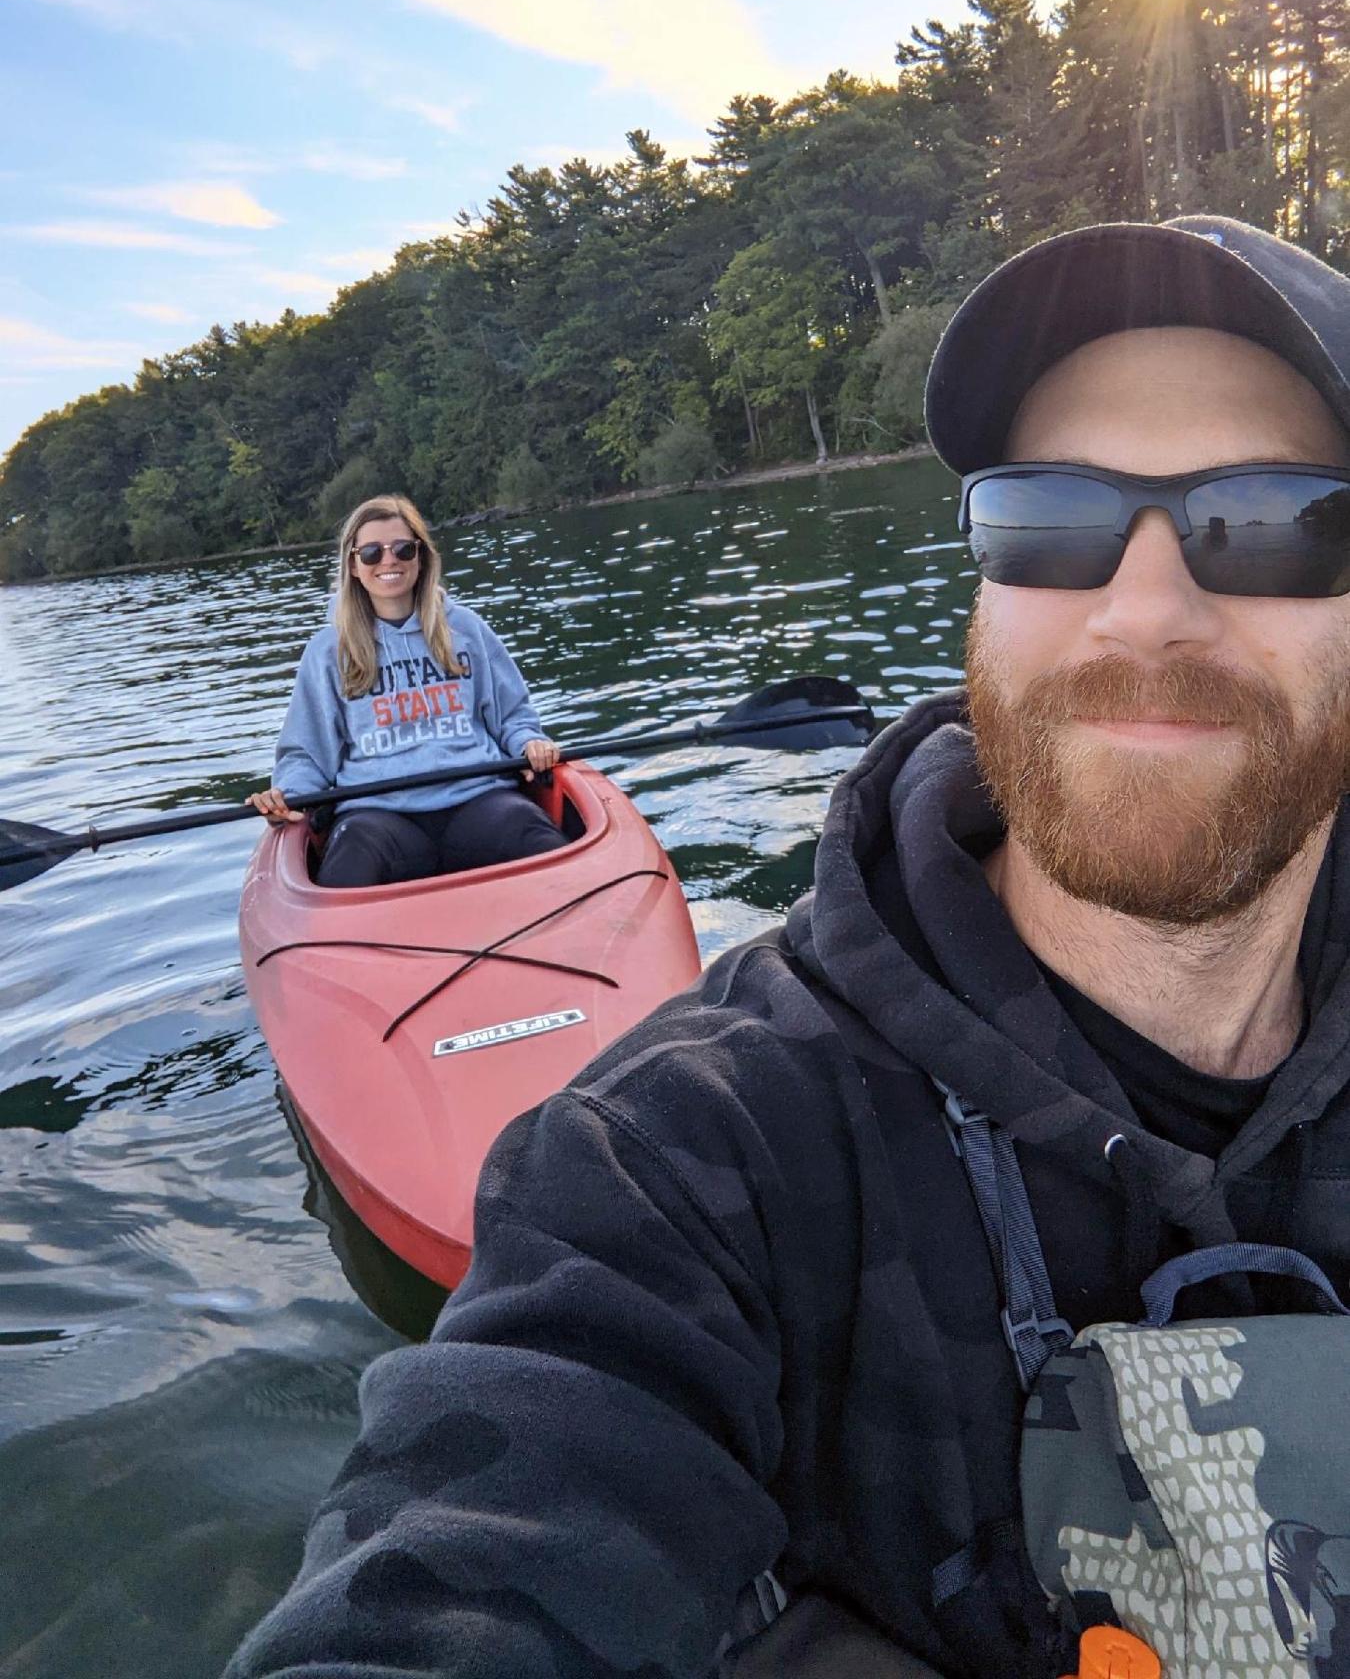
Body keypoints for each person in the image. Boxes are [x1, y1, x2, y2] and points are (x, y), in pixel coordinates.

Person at [226, 217, 1350, 1679]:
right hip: (372, 833)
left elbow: (513, 731)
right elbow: (462, 1568)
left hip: (488, 810)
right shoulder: (673, 1168)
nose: (1142, 610)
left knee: (491, 828)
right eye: (1047, 521)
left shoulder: (466, 637)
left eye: (1271, 521)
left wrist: (529, 756)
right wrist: (303, 805)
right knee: (374, 845)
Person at [245, 493, 566, 887]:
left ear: (421, 556)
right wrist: (288, 796)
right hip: (378, 816)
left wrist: (530, 742)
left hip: (479, 800)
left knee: (530, 833)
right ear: (353, 565)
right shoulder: (328, 651)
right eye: (371, 553)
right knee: (349, 862)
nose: (389, 560)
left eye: (401, 548)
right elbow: (307, 754)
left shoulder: (466, 629)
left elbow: (513, 717)